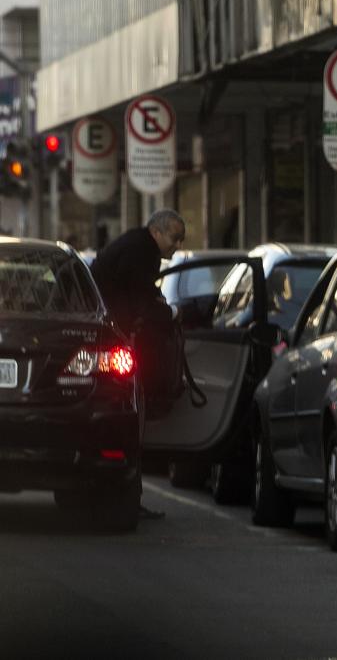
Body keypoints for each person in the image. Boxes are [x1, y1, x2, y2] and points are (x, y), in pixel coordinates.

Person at [91, 209, 186, 520]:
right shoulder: (141, 253)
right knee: (132, 421)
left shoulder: (136, 246)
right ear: (157, 232)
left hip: (109, 337)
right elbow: (139, 303)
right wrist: (170, 314)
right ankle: (129, 496)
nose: (177, 245)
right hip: (116, 343)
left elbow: (143, 293)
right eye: (174, 237)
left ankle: (128, 495)